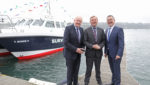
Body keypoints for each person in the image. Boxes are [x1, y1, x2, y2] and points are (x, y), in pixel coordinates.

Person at [84, 16, 105, 85]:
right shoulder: (86, 30)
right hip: (89, 54)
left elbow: (104, 41)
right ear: (90, 22)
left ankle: (99, 81)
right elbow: (84, 41)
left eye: (95, 20)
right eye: (92, 20)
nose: (94, 21)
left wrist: (100, 46)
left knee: (98, 69)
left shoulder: (101, 30)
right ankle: (86, 82)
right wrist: (92, 46)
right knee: (88, 69)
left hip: (99, 53)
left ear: (97, 21)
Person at [63, 16, 85, 85]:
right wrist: (76, 49)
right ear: (74, 20)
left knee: (76, 71)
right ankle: (69, 83)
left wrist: (83, 48)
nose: (78, 22)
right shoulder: (68, 28)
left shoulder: (81, 29)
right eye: (77, 20)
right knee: (70, 72)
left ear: (81, 22)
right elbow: (66, 42)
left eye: (80, 21)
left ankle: (76, 83)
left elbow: (82, 42)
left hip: (78, 55)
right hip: (69, 54)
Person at [105, 15, 124, 85]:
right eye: (108, 20)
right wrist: (105, 52)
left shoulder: (119, 29)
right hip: (109, 54)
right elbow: (107, 43)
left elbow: (121, 43)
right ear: (107, 21)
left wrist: (119, 54)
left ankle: (117, 83)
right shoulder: (106, 30)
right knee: (112, 69)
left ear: (114, 20)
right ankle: (113, 82)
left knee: (116, 70)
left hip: (116, 54)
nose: (109, 21)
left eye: (111, 19)